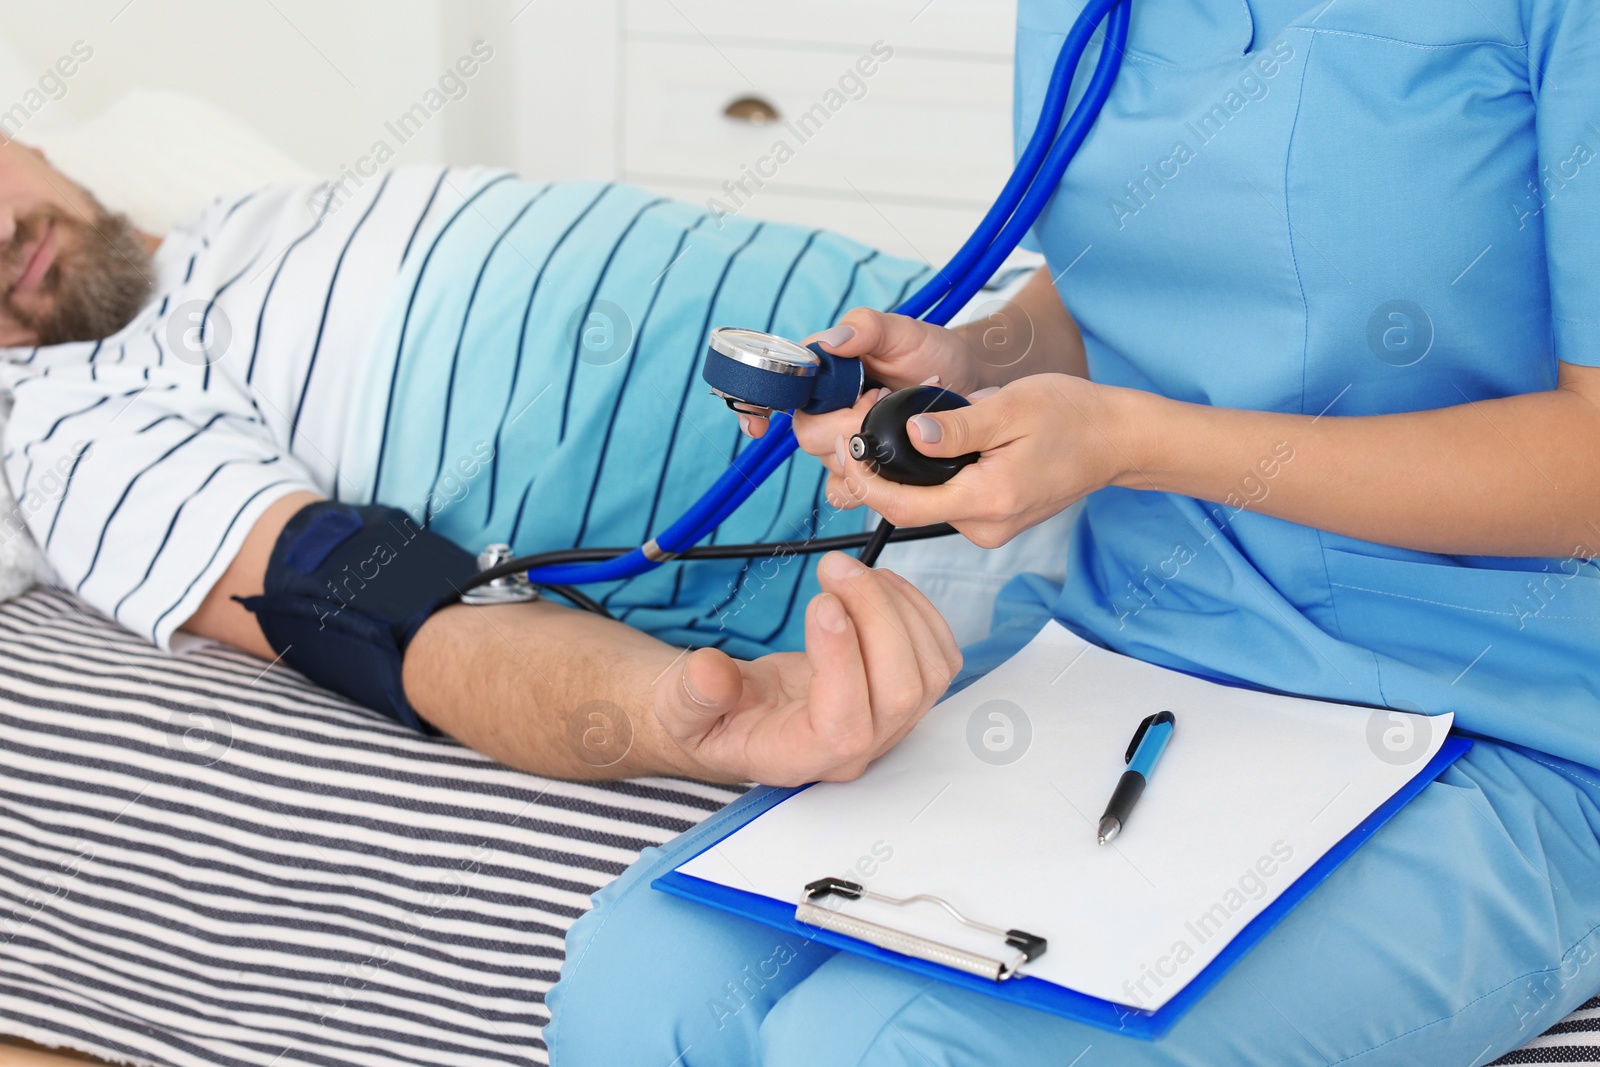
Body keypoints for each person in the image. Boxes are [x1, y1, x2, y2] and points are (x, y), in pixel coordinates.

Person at [544, 0, 1600, 1063]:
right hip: (1133, 645)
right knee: (641, 989)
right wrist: (972, 368)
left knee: (884, 1046)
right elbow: (1147, 266)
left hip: (1506, 710)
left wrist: (1131, 440)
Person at [0, 138, 976, 787]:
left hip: (993, 328)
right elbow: (374, 615)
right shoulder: (64, 425)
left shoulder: (244, 218)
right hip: (923, 539)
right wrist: (679, 718)